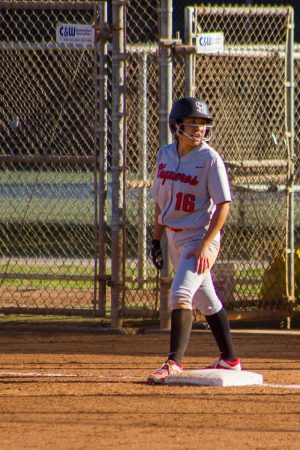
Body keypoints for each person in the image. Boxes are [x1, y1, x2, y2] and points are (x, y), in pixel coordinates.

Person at [147, 96, 241, 384]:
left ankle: (174, 362)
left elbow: (223, 204)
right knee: (207, 299)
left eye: (203, 123)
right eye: (193, 122)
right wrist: (156, 240)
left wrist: (204, 245)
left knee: (181, 295)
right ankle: (230, 359)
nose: (199, 128)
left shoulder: (209, 159)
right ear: (176, 125)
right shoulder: (164, 154)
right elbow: (160, 203)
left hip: (200, 238)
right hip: (175, 237)